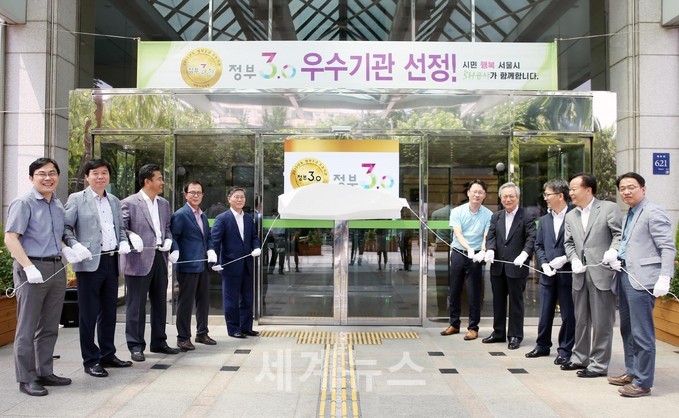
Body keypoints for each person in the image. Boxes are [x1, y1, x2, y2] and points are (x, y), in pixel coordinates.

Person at [4, 158, 78, 396]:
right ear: (31, 177)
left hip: (56, 268)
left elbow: (56, 236)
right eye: (42, 174)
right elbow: (11, 238)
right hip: (32, 268)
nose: (48, 178)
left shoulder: (56, 203)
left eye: (52, 173)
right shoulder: (23, 203)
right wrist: (28, 267)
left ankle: (44, 371)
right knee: (27, 327)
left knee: (49, 325)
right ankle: (26, 378)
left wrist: (67, 249)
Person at [607, 172, 676, 397]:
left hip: (643, 280)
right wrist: (617, 255)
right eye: (622, 188)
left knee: (642, 332)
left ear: (643, 189)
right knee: (627, 329)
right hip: (625, 275)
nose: (626, 192)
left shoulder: (653, 212)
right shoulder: (630, 213)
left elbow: (667, 247)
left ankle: (643, 382)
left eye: (631, 187)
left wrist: (665, 276)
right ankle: (632, 371)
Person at [63, 159, 133, 378]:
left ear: (109, 176)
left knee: (109, 312)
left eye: (104, 172)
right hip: (88, 262)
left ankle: (107, 354)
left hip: (111, 261)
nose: (100, 176)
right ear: (87, 177)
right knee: (89, 313)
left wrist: (124, 242)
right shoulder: (77, 199)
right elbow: (65, 228)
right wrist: (75, 246)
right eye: (95, 173)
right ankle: (91, 360)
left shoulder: (114, 200)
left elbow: (119, 228)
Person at [561, 173, 622, 378]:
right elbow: (569, 243)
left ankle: (598, 364)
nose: (570, 193)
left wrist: (613, 251)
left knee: (602, 322)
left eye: (573, 189)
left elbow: (619, 235)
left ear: (588, 190)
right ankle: (580, 357)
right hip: (580, 275)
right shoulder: (571, 215)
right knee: (581, 320)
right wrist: (574, 259)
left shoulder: (608, 208)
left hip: (602, 273)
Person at [120, 163, 179, 362]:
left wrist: (168, 240)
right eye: (159, 178)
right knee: (136, 306)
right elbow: (121, 228)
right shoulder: (129, 203)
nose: (162, 182)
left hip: (160, 257)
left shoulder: (164, 204)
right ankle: (136, 345)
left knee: (160, 302)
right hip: (138, 260)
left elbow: (167, 227)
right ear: (147, 181)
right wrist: (131, 236)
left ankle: (159, 341)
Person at [526, 179, 575, 365]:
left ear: (560, 195)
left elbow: (580, 243)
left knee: (568, 314)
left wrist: (566, 258)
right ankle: (542, 345)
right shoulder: (544, 220)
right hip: (547, 274)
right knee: (545, 312)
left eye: (548, 194)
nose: (545, 198)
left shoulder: (575, 216)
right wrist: (544, 263)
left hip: (568, 273)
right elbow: (538, 245)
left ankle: (565, 350)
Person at [483, 182, 536, 350]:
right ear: (501, 198)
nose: (508, 199)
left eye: (511, 196)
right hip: (498, 267)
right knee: (498, 301)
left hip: (517, 266)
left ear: (517, 198)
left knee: (516, 302)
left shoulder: (526, 216)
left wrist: (525, 254)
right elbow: (491, 236)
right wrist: (490, 250)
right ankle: (498, 332)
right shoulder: (496, 216)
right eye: (504, 196)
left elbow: (531, 238)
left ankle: (515, 335)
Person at [441, 179, 492, 341]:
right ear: (468, 193)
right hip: (459, 252)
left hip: (476, 256)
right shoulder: (457, 211)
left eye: (480, 192)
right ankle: (454, 324)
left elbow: (486, 235)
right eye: (474, 191)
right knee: (454, 289)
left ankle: (473, 327)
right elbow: (458, 233)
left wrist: (482, 250)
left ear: (484, 195)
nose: (477, 195)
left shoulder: (489, 215)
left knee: (474, 291)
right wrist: (468, 248)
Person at [171, 180, 219, 351]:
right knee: (186, 302)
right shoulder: (180, 215)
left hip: (203, 265)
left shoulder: (203, 215)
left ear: (203, 195)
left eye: (199, 192)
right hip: (187, 265)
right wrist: (175, 251)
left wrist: (211, 251)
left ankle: (202, 333)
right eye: (192, 192)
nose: (196, 195)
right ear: (185, 195)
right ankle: (183, 337)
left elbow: (208, 238)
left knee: (203, 301)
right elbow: (174, 237)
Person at [211, 187, 262, 338]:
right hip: (230, 265)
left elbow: (253, 237)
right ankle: (233, 328)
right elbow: (215, 242)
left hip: (247, 264)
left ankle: (246, 327)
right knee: (231, 299)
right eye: (236, 197)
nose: (240, 199)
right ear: (229, 199)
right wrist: (214, 261)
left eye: (242, 197)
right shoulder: (222, 218)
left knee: (247, 298)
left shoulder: (248, 218)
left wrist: (256, 247)